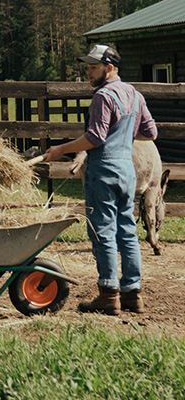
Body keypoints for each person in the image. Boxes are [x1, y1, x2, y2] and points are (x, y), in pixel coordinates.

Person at [40, 44, 157, 315]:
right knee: (127, 230)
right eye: (88, 67)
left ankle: (108, 294)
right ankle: (133, 293)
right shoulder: (134, 95)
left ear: (110, 67)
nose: (89, 72)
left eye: (94, 67)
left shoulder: (103, 97)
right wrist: (123, 137)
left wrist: (59, 150)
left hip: (103, 170)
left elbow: (94, 138)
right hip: (126, 171)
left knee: (102, 231)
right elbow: (150, 132)